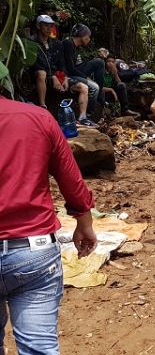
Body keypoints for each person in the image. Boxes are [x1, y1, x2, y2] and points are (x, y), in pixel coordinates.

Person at [0, 72, 97, 355]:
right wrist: (85, 222)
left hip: (30, 250)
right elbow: (71, 180)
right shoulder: (37, 118)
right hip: (33, 251)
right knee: (39, 348)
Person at [29, 15, 97, 127]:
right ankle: (42, 106)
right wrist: (53, 76)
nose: (49, 28)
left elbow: (62, 64)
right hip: (41, 76)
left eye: (51, 26)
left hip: (57, 75)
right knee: (42, 73)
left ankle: (82, 118)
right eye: (46, 25)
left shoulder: (56, 44)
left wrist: (64, 77)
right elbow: (34, 64)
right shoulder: (31, 42)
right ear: (38, 26)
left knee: (84, 87)